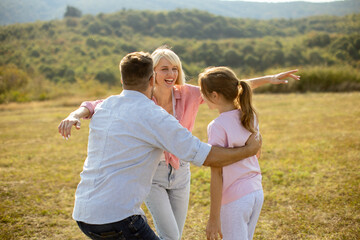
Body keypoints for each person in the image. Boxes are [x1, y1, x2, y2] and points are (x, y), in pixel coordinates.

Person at [58, 46, 299, 240]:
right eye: (164, 69)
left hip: (84, 215)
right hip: (121, 215)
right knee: (171, 235)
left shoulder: (111, 104)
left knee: (174, 234)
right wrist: (250, 149)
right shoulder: (154, 115)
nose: (170, 74)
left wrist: (268, 79)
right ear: (152, 77)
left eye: (175, 68)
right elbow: (206, 156)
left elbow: (228, 86)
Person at [199, 67, 263, 240]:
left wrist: (213, 219)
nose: (202, 98)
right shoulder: (249, 114)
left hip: (235, 200)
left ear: (214, 96)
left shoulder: (217, 126)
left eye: (203, 93)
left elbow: (217, 172)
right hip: (256, 192)